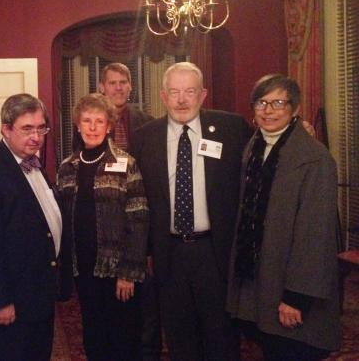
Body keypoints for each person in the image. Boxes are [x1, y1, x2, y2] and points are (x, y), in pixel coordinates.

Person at [131, 61, 252, 361]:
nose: (182, 99)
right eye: (174, 92)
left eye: (189, 91)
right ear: (163, 96)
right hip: (168, 252)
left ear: (203, 94)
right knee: (179, 334)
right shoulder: (144, 137)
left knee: (220, 334)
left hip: (215, 250)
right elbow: (138, 196)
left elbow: (262, 161)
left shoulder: (231, 128)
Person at [227, 74, 340, 361]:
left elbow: (315, 234)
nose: (268, 110)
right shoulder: (254, 148)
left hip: (293, 289)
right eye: (262, 103)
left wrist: (295, 297)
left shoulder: (314, 159)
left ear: (295, 108)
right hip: (260, 282)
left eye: (278, 102)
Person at [0, 93, 62, 361]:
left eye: (41, 128)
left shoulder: (34, 164)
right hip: (11, 305)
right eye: (27, 129)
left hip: (37, 297)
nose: (36, 136)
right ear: (5, 129)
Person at [57, 93, 149, 361]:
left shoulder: (126, 164)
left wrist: (128, 273)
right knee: (93, 335)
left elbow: (139, 219)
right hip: (82, 268)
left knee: (122, 338)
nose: (93, 127)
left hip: (118, 271)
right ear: (78, 125)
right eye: (87, 120)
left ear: (109, 126)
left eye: (100, 121)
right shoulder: (67, 168)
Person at [97, 63, 160, 361]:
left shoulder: (147, 123)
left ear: (131, 87)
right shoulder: (90, 122)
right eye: (113, 83)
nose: (119, 88)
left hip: (140, 211)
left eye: (124, 82)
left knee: (145, 304)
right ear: (102, 87)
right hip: (106, 221)